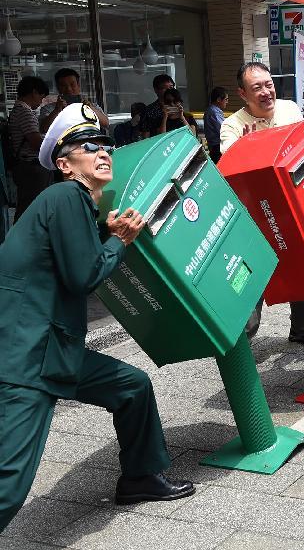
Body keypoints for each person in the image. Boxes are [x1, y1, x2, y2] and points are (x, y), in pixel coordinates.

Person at [0, 103, 194, 532]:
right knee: (9, 484)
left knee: (132, 387)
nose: (103, 152)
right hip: (27, 357)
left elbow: (71, 262)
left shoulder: (72, 205)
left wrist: (106, 234)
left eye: (105, 144)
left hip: (54, 348)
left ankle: (141, 477)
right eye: (88, 147)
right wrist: (119, 240)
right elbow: (83, 274)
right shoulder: (66, 196)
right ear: (66, 165)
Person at [220, 62, 304, 346]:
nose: (266, 92)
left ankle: (303, 329)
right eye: (256, 88)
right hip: (254, 216)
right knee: (253, 276)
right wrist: (250, 147)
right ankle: (242, 343)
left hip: (291, 207)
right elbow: (229, 166)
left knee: (301, 266)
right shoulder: (232, 125)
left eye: (269, 84)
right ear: (242, 93)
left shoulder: (290, 109)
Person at [9, 76, 52, 222]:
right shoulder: (24, 111)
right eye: (41, 97)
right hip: (31, 167)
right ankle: (22, 241)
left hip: (26, 166)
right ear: (34, 92)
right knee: (30, 207)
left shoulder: (18, 110)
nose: (41, 102)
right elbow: (36, 143)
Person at [39, 68, 109, 134]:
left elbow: (106, 124)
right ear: (58, 88)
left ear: (78, 85)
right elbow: (43, 129)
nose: (69, 89)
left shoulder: (91, 106)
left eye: (72, 84)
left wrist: (90, 108)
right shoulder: (48, 109)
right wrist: (57, 110)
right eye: (63, 85)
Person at [139, 74, 176, 139]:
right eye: (164, 88)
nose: (169, 91)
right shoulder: (148, 111)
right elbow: (145, 137)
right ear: (156, 90)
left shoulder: (178, 107)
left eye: (171, 87)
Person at [204, 86, 228, 163]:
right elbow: (223, 129)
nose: (227, 102)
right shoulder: (214, 112)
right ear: (218, 100)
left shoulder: (212, 110)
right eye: (226, 99)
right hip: (217, 147)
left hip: (214, 147)